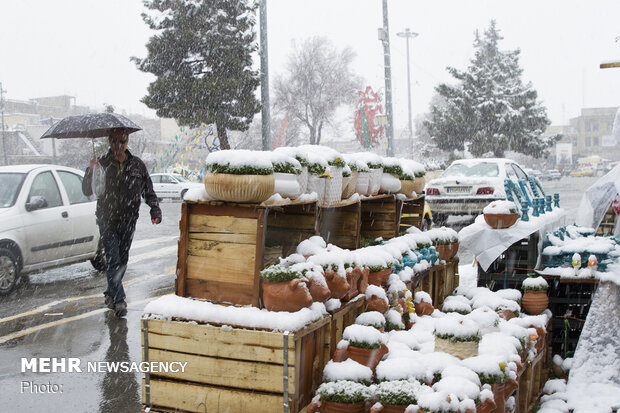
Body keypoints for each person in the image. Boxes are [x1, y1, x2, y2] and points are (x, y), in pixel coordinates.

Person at [82, 128, 161, 318]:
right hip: (107, 219)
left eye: (122, 142)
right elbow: (87, 190)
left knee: (123, 261)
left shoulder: (137, 165)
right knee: (113, 259)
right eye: (115, 141)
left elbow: (147, 189)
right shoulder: (101, 164)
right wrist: (90, 171)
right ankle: (119, 300)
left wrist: (154, 209)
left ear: (127, 142)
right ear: (110, 141)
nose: (119, 145)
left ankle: (110, 293)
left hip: (128, 219)